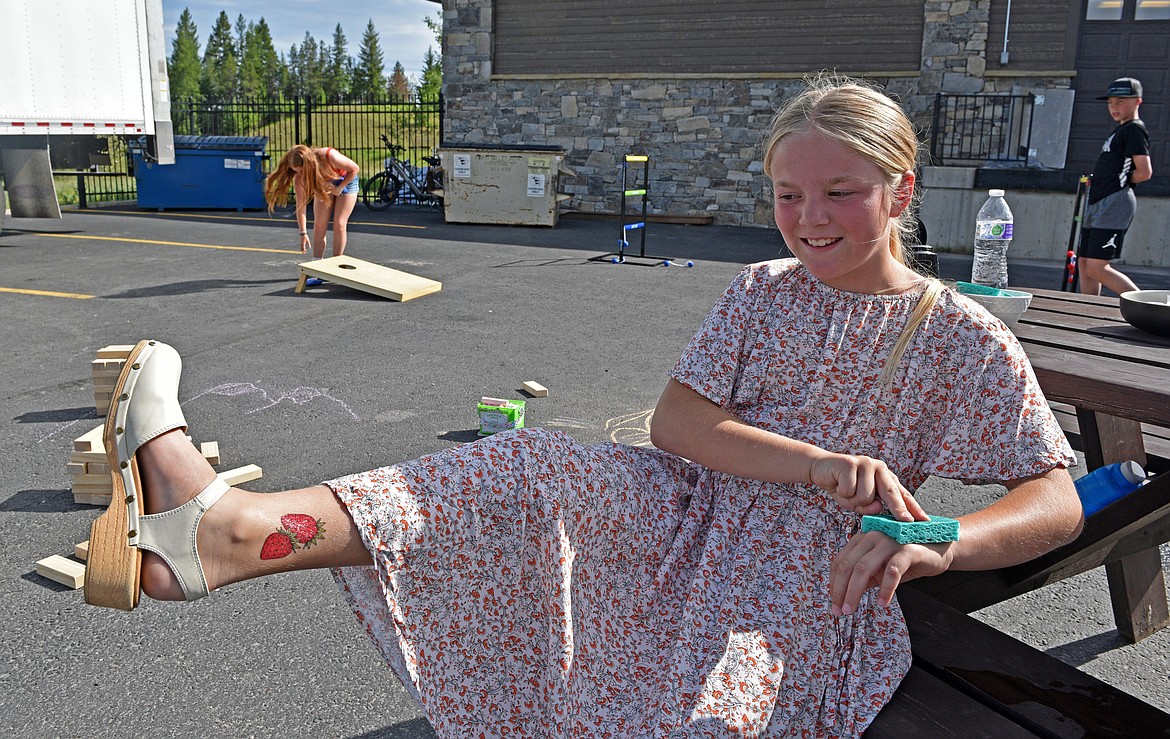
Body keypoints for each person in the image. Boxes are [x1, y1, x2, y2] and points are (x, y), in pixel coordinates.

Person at [84, 76, 1084, 737]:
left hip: (807, 575)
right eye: (788, 194)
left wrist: (944, 538)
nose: (809, 220)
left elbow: (1056, 494)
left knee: (708, 712)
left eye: (841, 193)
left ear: (900, 190)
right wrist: (816, 460)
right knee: (518, 470)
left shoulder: (955, 331)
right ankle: (227, 531)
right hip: (685, 507)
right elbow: (680, 429)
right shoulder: (763, 292)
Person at [1077, 77, 1152, 296]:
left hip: (1114, 201)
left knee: (1097, 267)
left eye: (1120, 101)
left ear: (1137, 102)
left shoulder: (1135, 130)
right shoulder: (1120, 130)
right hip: (1098, 200)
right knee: (1084, 263)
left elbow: (1144, 171)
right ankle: (1086, 310)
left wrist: (1119, 183)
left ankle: (1147, 307)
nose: (1114, 107)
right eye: (1111, 102)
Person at [264, 145, 361, 274]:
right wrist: (303, 233)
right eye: (297, 171)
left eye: (302, 171)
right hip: (324, 184)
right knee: (319, 224)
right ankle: (318, 266)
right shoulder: (299, 178)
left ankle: (337, 265)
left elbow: (355, 169)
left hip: (346, 181)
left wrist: (340, 188)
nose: (300, 175)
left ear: (310, 165)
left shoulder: (328, 156)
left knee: (339, 223)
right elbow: (300, 207)